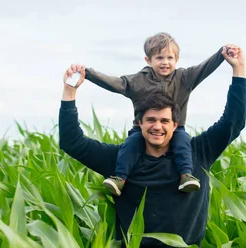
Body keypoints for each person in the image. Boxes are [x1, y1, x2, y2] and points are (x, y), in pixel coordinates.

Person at [59, 45, 246, 246]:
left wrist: (239, 70)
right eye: (151, 120)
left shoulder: (197, 153)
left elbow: (232, 122)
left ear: (176, 125)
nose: (157, 126)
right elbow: (72, 142)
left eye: (164, 121)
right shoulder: (121, 159)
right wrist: (69, 90)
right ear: (140, 123)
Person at [83, 32, 236, 196]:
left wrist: (222, 53)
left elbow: (204, 68)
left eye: (170, 58)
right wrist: (88, 73)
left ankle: (185, 176)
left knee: (183, 143)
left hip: (176, 128)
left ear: (176, 60)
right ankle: (119, 178)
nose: (165, 63)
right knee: (131, 145)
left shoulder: (184, 78)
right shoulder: (138, 81)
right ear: (148, 60)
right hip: (142, 129)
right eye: (160, 58)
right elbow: (114, 83)